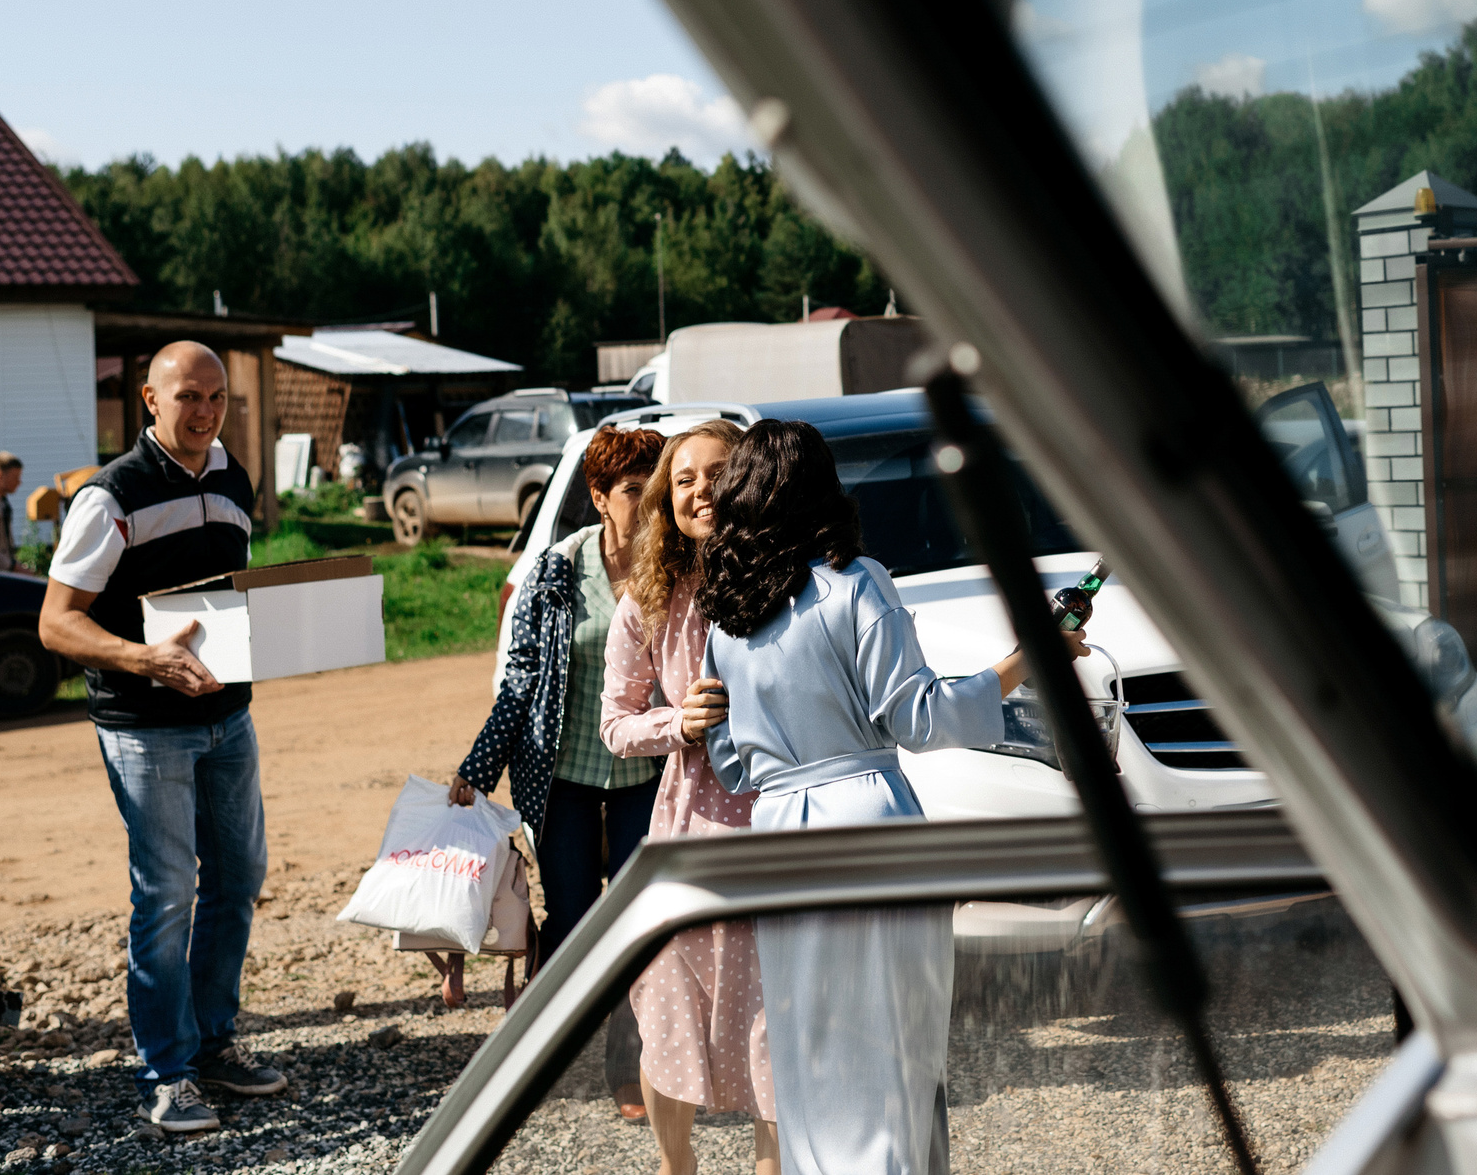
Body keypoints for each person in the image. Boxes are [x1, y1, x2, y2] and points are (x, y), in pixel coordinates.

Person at [696, 419, 1086, 1175]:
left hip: (777, 835)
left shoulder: (727, 617)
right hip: (869, 823)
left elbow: (734, 766)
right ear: (819, 489)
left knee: (809, 1051)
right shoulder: (855, 581)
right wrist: (1026, 658)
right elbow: (920, 716)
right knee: (892, 1047)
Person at [37, 343, 283, 1135]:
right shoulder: (109, 497)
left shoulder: (233, 477)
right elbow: (55, 623)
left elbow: (227, 600)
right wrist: (144, 658)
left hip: (227, 718)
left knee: (239, 875)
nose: (204, 411)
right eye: (187, 396)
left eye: (215, 396)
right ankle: (167, 1072)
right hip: (144, 728)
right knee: (168, 892)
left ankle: (214, 1044)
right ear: (149, 398)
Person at [450, 425, 668, 1119]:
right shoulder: (555, 569)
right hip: (565, 780)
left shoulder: (676, 568)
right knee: (573, 917)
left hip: (646, 777)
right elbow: (519, 680)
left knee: (639, 921)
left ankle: (626, 1063)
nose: (649, 503)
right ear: (600, 496)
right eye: (634, 491)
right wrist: (478, 767)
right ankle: (554, 1049)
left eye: (654, 488)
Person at [601, 420, 779, 1175]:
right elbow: (615, 724)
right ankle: (679, 1169)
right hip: (685, 827)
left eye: (716, 473)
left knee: (774, 1023)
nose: (699, 488)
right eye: (683, 478)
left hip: (774, 825)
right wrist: (680, 722)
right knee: (665, 1010)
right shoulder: (645, 601)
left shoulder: (787, 583)